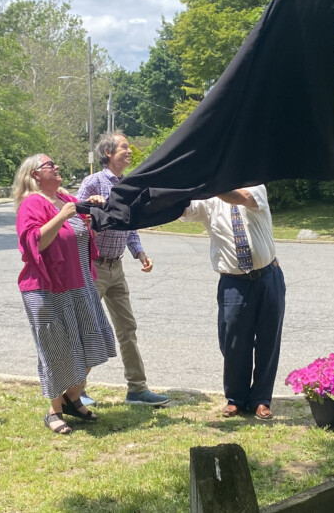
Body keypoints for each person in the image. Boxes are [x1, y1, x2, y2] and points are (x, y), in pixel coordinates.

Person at [12, 153, 116, 435]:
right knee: (57, 349)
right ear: (35, 175)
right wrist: (62, 216)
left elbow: (79, 233)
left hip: (80, 283)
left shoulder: (66, 199)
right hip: (47, 289)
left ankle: (72, 397)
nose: (57, 168)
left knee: (92, 342)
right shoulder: (32, 203)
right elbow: (35, 242)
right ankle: (54, 410)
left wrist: (88, 209)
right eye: (50, 166)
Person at [77, 132, 170, 406]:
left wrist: (140, 254)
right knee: (90, 329)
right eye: (125, 147)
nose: (130, 151)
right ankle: (76, 391)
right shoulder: (93, 182)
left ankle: (137, 389)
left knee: (127, 328)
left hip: (116, 268)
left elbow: (129, 225)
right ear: (108, 152)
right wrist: (89, 210)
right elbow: (71, 213)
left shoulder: (127, 185)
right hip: (93, 267)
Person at [181, 185, 286, 420]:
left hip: (268, 277)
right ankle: (235, 398)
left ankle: (261, 399)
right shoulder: (208, 200)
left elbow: (241, 198)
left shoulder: (256, 187)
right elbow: (183, 209)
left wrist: (207, 183)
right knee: (233, 341)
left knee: (269, 340)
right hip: (233, 282)